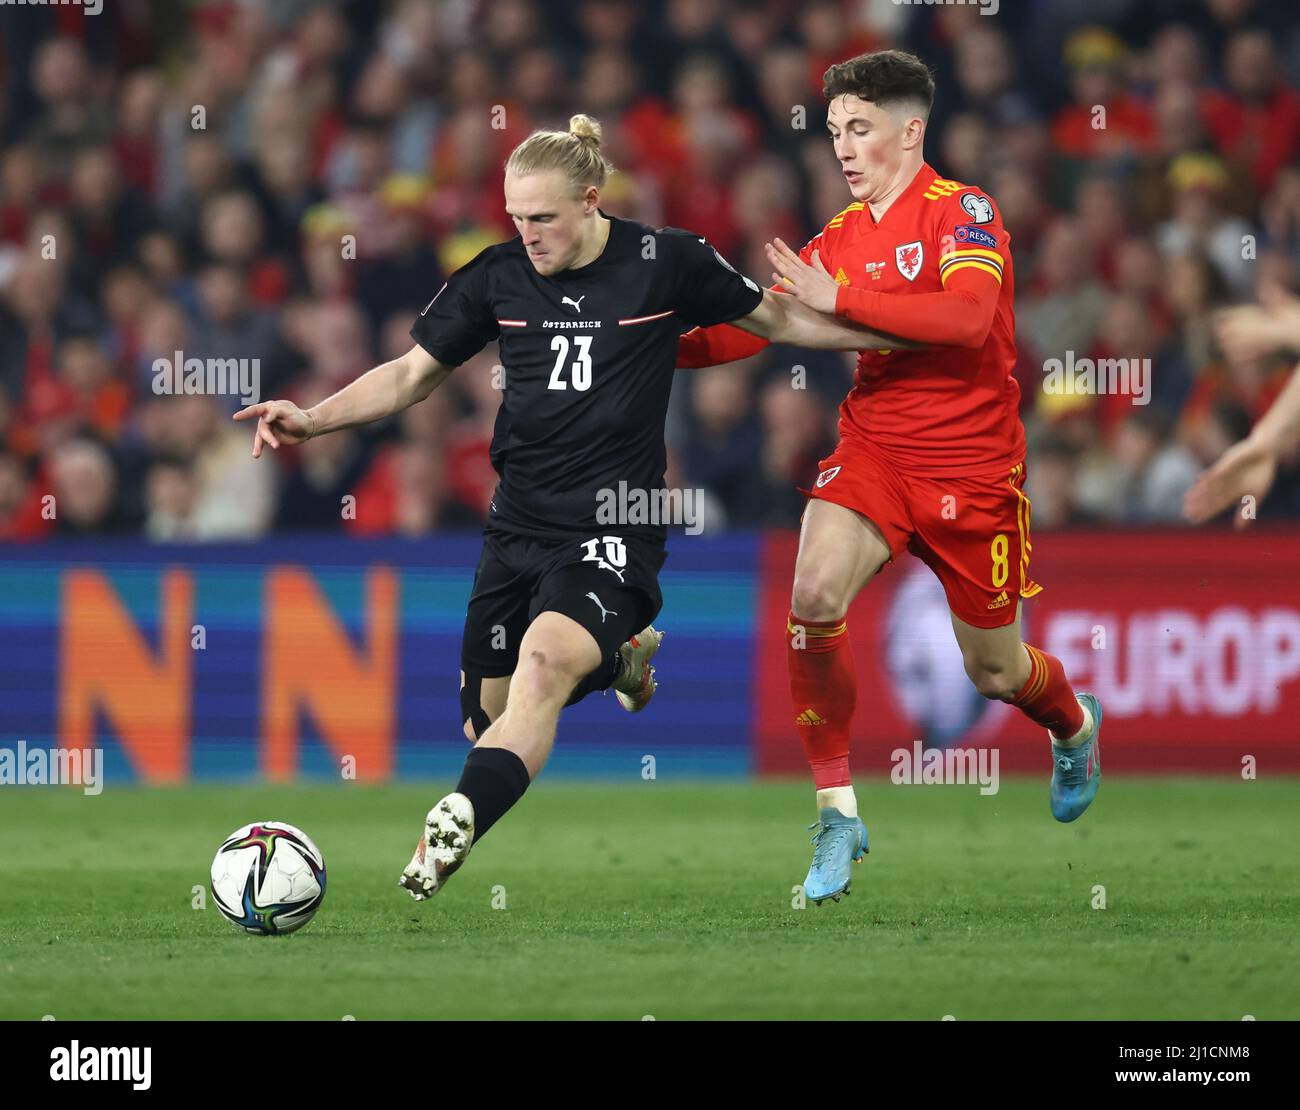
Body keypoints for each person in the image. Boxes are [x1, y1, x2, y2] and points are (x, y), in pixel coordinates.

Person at [235, 114, 907, 901]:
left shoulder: (667, 262)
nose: (528, 235)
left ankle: (451, 827)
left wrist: (893, 337)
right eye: (517, 218)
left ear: (592, 200)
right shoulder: (495, 276)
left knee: (545, 667)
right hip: (517, 526)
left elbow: (780, 319)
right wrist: (312, 418)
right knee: (487, 726)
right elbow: (410, 374)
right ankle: (619, 659)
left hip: (615, 523)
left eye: (543, 219)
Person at [678, 51, 1103, 905]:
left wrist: (841, 303)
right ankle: (838, 812)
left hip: (975, 472)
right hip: (873, 451)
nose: (842, 147)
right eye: (835, 131)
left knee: (993, 671)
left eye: (860, 129)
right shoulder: (839, 237)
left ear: (911, 132)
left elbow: (967, 316)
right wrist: (656, 343)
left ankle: (1074, 723)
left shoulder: (965, 211)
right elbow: (764, 322)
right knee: (814, 595)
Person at [1183, 285, 1300, 527]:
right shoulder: (1216, 380)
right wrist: (1264, 443)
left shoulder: (1279, 376)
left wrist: (1282, 330)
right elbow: (1190, 429)